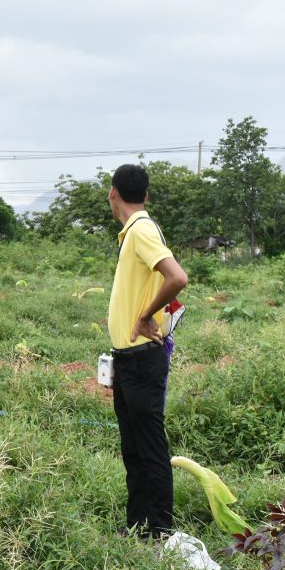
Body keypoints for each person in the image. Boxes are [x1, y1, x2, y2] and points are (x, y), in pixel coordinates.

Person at [107, 164, 188, 539]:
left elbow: (178, 277)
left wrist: (143, 316)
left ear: (113, 194)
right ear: (147, 194)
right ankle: (138, 526)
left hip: (141, 356)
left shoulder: (141, 229)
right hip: (127, 358)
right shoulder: (133, 232)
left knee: (149, 447)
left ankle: (159, 531)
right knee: (133, 447)